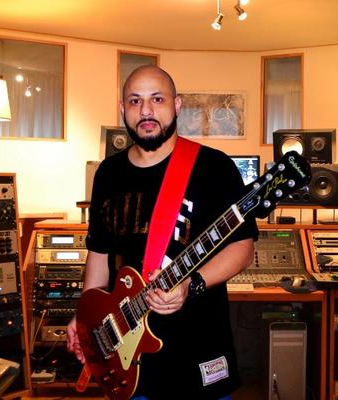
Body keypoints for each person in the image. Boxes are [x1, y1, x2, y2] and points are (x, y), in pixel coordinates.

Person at [67, 65, 259, 400]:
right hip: (127, 354)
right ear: (122, 108)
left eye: (157, 99)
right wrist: (86, 320)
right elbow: (99, 253)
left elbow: (243, 249)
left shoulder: (214, 167)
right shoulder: (108, 173)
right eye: (135, 101)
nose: (146, 111)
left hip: (198, 348)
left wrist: (191, 284)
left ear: (177, 104)